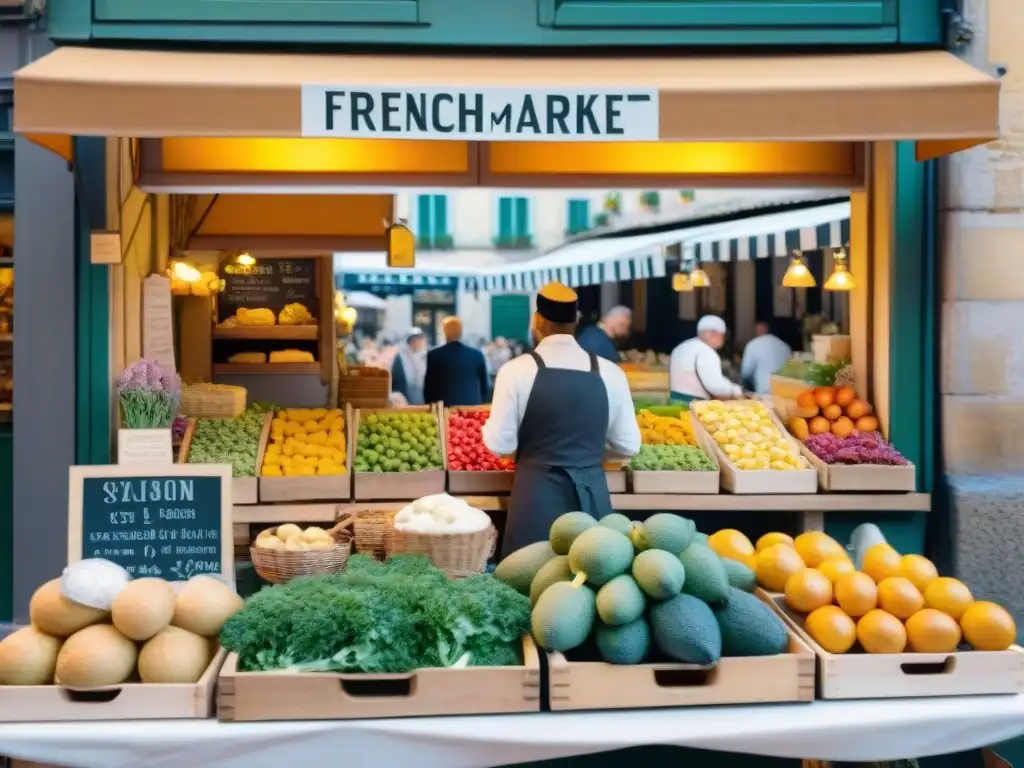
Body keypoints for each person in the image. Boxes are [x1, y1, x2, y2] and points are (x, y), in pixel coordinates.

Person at [483, 282, 641, 558]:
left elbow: (499, 443)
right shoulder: (611, 372)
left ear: (537, 321)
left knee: (528, 588)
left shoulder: (515, 371)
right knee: (590, 584)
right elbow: (628, 445)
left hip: (534, 501)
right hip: (591, 502)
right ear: (576, 321)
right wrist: (588, 449)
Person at [669, 315, 744, 402]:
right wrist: (736, 390)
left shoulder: (681, 347)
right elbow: (716, 387)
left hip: (674, 401)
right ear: (716, 335)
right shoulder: (706, 352)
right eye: (723, 337)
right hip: (693, 403)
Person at [423, 317, 489, 406]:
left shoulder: (434, 355)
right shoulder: (477, 354)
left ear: (444, 333)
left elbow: (429, 388)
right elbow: (485, 387)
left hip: (444, 409)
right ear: (461, 332)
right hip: (471, 409)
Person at [741, 320, 793, 395]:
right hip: (785, 392)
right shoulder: (785, 346)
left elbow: (745, 372)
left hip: (764, 392)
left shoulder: (753, 345)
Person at [390, 328, 427, 405]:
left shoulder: (426, 356)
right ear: (410, 341)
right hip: (405, 401)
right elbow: (394, 379)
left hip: (423, 401)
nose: (418, 342)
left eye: (420, 339)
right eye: (416, 339)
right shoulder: (401, 357)